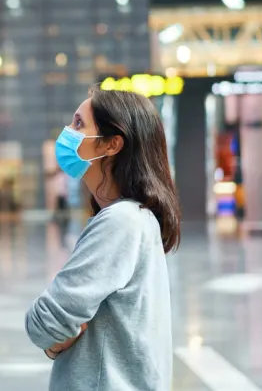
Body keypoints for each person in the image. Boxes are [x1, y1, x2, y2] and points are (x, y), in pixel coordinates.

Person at [25, 87, 181, 391]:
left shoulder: (120, 221)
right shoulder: (138, 217)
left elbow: (44, 322)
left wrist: (55, 342)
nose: (67, 133)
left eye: (79, 124)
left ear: (111, 144)